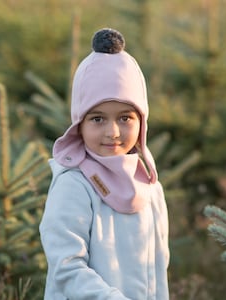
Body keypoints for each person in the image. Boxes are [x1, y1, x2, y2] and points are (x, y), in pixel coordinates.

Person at [39, 28, 169, 300]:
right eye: (98, 119)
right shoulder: (74, 185)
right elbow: (67, 267)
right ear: (80, 124)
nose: (113, 132)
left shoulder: (148, 184)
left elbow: (158, 269)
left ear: (141, 122)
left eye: (125, 118)